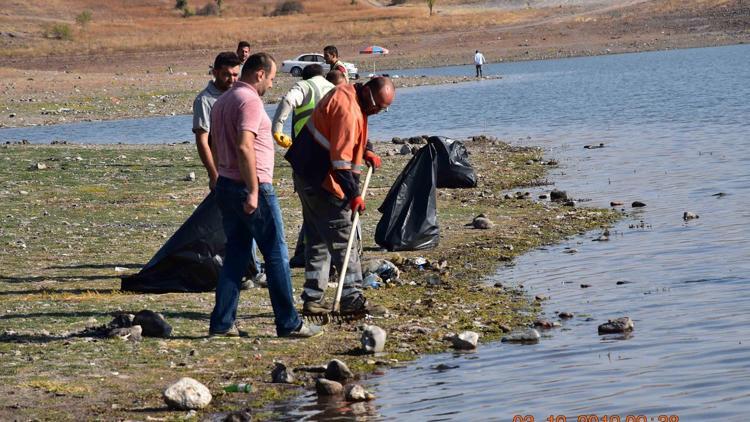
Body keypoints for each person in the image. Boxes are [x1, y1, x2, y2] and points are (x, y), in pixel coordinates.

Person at [208, 52, 322, 338]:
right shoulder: (248, 100)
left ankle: (222, 323)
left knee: (236, 255)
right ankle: (289, 323)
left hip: (226, 184)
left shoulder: (222, 101)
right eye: (271, 78)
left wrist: (225, 172)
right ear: (259, 74)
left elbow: (214, 142)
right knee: (276, 255)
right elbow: (245, 146)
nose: (271, 85)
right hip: (249, 187)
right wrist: (254, 189)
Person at [285, 76, 395, 317]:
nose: (376, 112)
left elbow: (348, 135)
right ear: (367, 93)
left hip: (306, 173)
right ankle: (351, 298)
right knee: (344, 239)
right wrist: (354, 195)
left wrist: (366, 149)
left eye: (382, 110)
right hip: (322, 179)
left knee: (317, 239)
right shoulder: (348, 109)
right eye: (377, 107)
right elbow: (341, 163)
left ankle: (313, 298)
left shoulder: (349, 93)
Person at [193, 52, 264, 287]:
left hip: (244, 171)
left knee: (249, 221)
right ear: (215, 72)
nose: (231, 79)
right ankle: (243, 270)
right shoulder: (206, 101)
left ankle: (250, 269)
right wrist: (213, 174)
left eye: (235, 74)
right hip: (225, 173)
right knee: (232, 226)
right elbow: (203, 141)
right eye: (226, 74)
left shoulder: (241, 96)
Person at [270, 64, 336, 268]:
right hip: (332, 153)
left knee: (310, 204)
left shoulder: (304, 87)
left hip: (308, 154)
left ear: (305, 77)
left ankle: (308, 252)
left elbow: (288, 100)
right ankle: (322, 250)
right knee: (329, 202)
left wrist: (277, 129)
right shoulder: (332, 88)